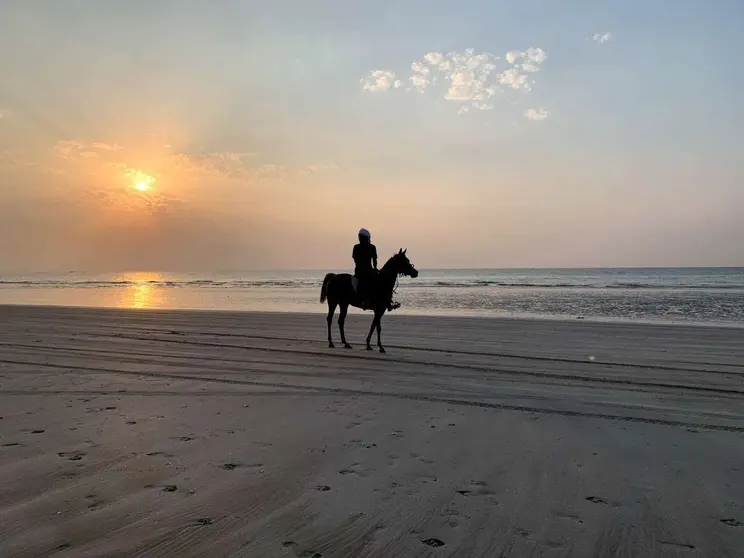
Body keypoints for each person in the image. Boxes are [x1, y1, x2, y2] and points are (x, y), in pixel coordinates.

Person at [352, 228, 378, 307]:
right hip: (366, 270)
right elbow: (374, 260)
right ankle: (365, 300)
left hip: (360, 270)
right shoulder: (372, 247)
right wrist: (375, 268)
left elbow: (355, 260)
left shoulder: (356, 247)